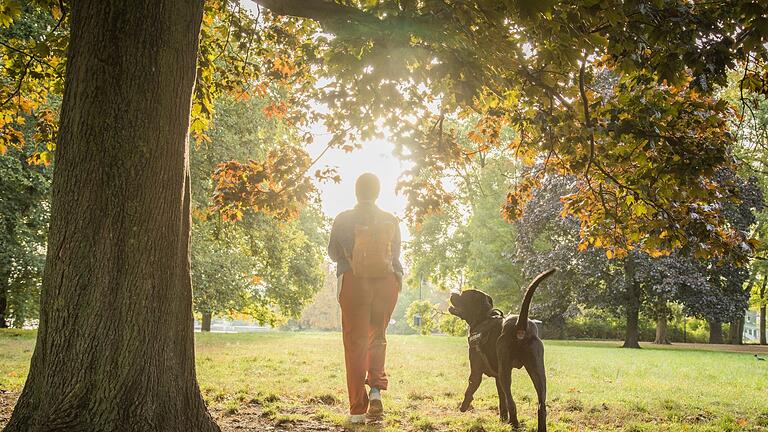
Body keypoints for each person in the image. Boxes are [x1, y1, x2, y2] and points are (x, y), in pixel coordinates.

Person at [328, 173, 403, 424]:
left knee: (355, 343)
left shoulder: (343, 219)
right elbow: (396, 256)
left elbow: (333, 253)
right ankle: (375, 390)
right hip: (386, 283)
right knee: (378, 336)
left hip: (353, 283)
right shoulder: (390, 219)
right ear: (378, 192)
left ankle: (358, 411)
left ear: (356, 192)